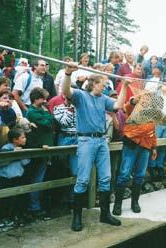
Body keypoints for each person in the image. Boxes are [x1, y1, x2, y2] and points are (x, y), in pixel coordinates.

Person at [62, 62, 129, 232]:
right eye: (103, 84)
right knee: (83, 179)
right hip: (86, 141)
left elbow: (117, 106)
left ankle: (105, 214)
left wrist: (125, 87)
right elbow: (66, 92)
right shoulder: (81, 96)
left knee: (105, 178)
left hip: (102, 141)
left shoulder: (103, 99)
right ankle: (76, 217)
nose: (105, 86)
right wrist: (68, 74)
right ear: (93, 83)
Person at [112, 94, 157, 216]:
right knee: (124, 174)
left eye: (149, 100)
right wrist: (133, 100)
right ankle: (117, 204)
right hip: (131, 145)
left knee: (140, 175)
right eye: (145, 100)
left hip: (145, 147)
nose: (147, 102)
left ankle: (135, 203)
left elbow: (153, 132)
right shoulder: (133, 109)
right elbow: (127, 105)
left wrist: (154, 147)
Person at [25, 87, 54, 217]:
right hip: (38, 150)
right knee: (37, 178)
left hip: (46, 150)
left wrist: (46, 114)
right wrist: (47, 113)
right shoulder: (32, 112)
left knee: (42, 178)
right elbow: (48, 123)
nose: (45, 101)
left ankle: (38, 205)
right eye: (43, 98)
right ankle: (34, 207)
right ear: (37, 99)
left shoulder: (39, 110)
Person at [0, 128, 30, 227]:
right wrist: (14, 153)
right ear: (15, 139)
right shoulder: (6, 148)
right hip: (5, 177)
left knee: (11, 199)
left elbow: (26, 162)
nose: (25, 139)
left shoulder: (22, 149)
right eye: (23, 137)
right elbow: (1, 162)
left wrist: (21, 154)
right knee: (1, 199)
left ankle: (7, 217)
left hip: (16, 177)